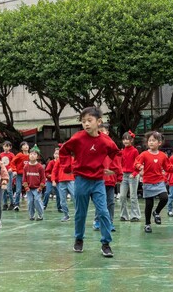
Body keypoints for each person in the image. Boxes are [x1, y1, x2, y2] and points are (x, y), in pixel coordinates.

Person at [59, 106, 120, 258]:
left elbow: (116, 153)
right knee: (81, 213)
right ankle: (79, 239)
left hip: (98, 181)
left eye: (89, 120)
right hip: (81, 180)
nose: (86, 124)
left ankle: (106, 243)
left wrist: (114, 168)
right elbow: (64, 150)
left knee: (103, 212)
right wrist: (67, 167)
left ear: (99, 122)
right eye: (83, 121)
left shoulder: (105, 140)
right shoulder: (78, 138)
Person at [134, 131, 173, 233]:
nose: (151, 142)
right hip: (148, 182)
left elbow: (167, 167)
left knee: (164, 198)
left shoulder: (163, 155)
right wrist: (139, 166)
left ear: (159, 143)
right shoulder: (144, 154)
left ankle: (156, 212)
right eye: (149, 141)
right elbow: (136, 162)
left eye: (154, 140)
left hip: (159, 181)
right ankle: (147, 224)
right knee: (149, 204)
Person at [93, 123, 122, 232]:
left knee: (110, 202)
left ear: (107, 132)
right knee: (99, 202)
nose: (100, 133)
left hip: (110, 180)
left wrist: (117, 173)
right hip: (98, 179)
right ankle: (97, 221)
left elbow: (117, 161)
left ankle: (109, 222)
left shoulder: (112, 145)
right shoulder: (94, 145)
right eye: (98, 131)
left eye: (102, 131)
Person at [119, 130, 141, 222]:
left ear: (131, 140)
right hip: (124, 175)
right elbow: (120, 164)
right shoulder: (122, 151)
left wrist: (135, 173)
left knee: (133, 196)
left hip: (133, 175)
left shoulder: (135, 151)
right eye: (124, 139)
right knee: (122, 196)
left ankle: (135, 215)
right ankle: (124, 215)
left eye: (127, 139)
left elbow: (138, 163)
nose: (125, 141)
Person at [52, 145, 75, 222]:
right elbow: (54, 171)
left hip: (71, 180)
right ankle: (66, 215)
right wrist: (53, 180)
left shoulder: (72, 159)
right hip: (62, 181)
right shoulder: (59, 160)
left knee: (75, 197)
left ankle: (78, 214)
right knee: (62, 200)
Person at [23, 145, 46, 221]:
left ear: (38, 156)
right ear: (29, 155)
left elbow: (43, 179)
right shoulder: (26, 167)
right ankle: (31, 215)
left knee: (37, 200)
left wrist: (40, 187)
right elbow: (24, 179)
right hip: (29, 188)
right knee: (30, 202)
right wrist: (26, 187)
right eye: (31, 154)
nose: (32, 156)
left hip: (37, 188)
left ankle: (40, 215)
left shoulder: (40, 167)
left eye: (34, 154)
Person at [9, 141, 30, 211]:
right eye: (24, 145)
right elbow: (12, 162)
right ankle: (16, 205)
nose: (26, 146)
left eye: (27, 145)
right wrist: (14, 170)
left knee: (30, 190)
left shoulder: (31, 155)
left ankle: (31, 204)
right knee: (18, 190)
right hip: (19, 175)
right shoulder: (19, 155)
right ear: (21, 148)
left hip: (28, 176)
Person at [43, 147, 62, 212]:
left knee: (59, 194)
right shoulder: (51, 162)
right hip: (50, 181)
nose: (57, 155)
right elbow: (47, 172)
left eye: (58, 154)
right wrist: (50, 176)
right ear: (53, 154)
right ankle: (44, 205)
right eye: (55, 153)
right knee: (47, 192)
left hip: (58, 181)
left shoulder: (62, 162)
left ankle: (59, 207)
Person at [0, 141, 15, 210]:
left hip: (9, 173)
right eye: (5, 146)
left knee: (9, 189)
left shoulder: (12, 155)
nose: (6, 148)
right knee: (3, 189)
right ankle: (5, 204)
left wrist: (12, 169)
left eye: (8, 146)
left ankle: (12, 203)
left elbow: (14, 163)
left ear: (10, 147)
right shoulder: (0, 155)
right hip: (2, 173)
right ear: (3, 146)